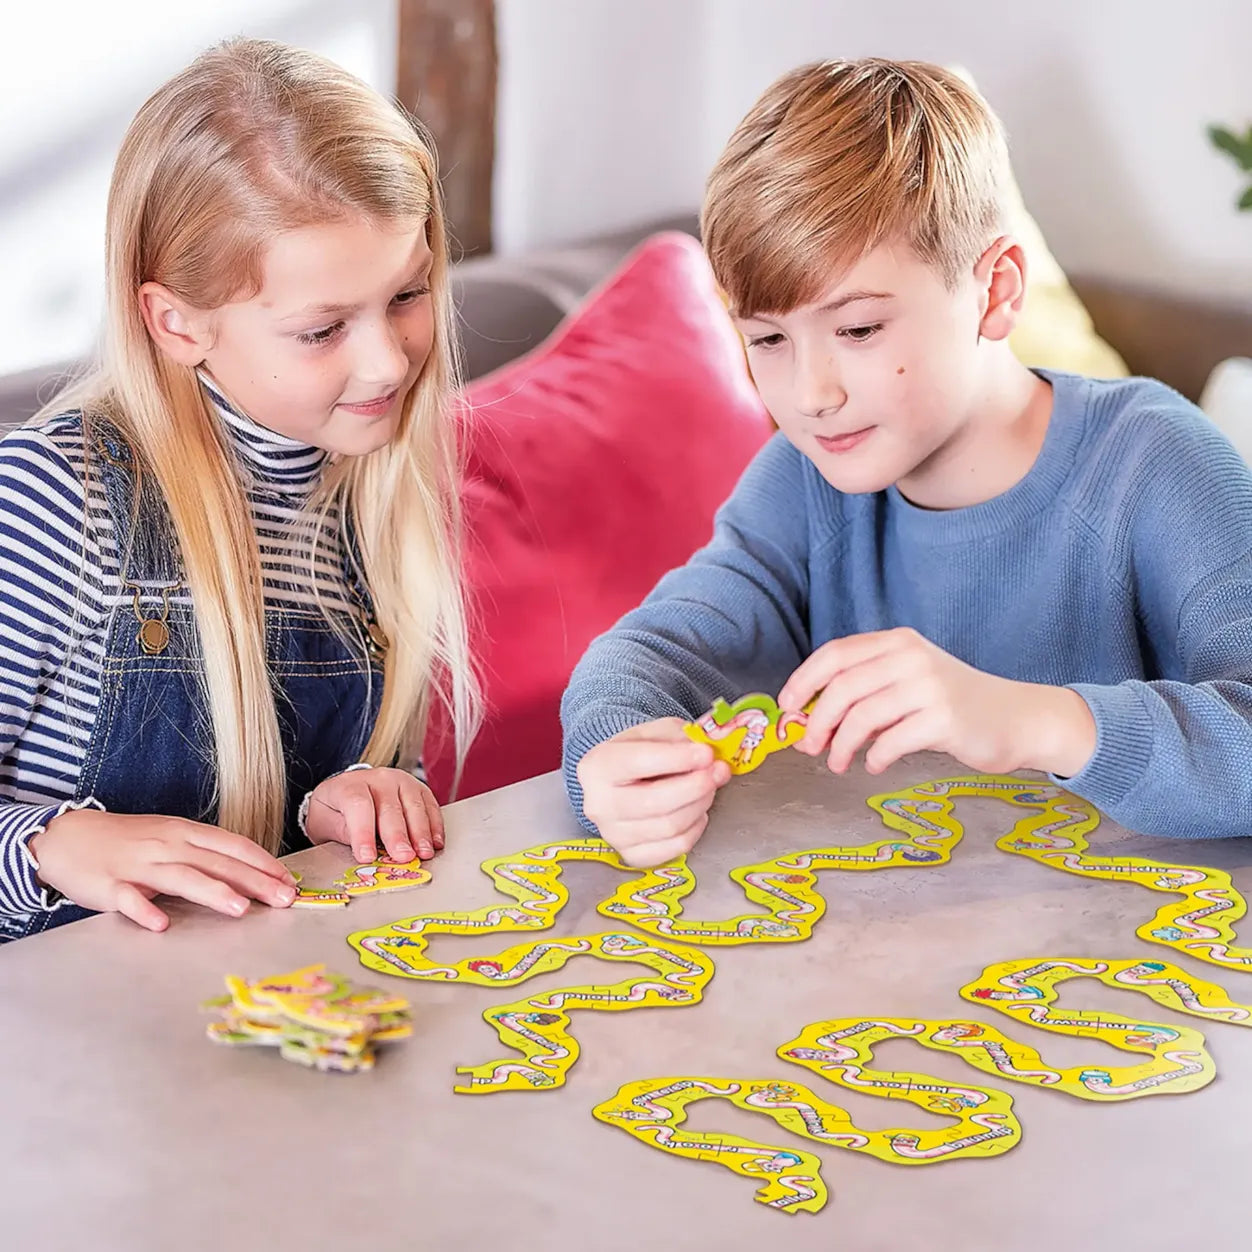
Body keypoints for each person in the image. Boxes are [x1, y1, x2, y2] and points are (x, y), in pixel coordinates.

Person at [561, 58, 1252, 867]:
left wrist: (1031, 719)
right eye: (769, 341)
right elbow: (645, 655)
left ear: (995, 292)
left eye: (857, 331)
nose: (811, 395)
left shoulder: (1157, 461)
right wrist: (612, 762)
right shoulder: (802, 482)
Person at [0, 38, 479, 939]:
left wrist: (359, 802)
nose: (388, 360)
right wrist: (50, 848)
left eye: (408, 296)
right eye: (322, 328)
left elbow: (336, 819)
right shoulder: (51, 502)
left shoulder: (368, 502)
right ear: (177, 322)